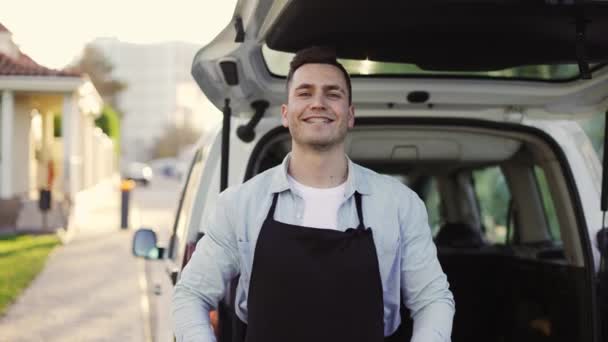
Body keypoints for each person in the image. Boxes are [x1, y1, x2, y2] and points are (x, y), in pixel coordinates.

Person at [172, 46, 455, 342]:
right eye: (305, 93)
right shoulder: (240, 204)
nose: (318, 103)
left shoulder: (399, 204)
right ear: (286, 113)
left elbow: (433, 298)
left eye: (332, 94)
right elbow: (190, 293)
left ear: (350, 115)